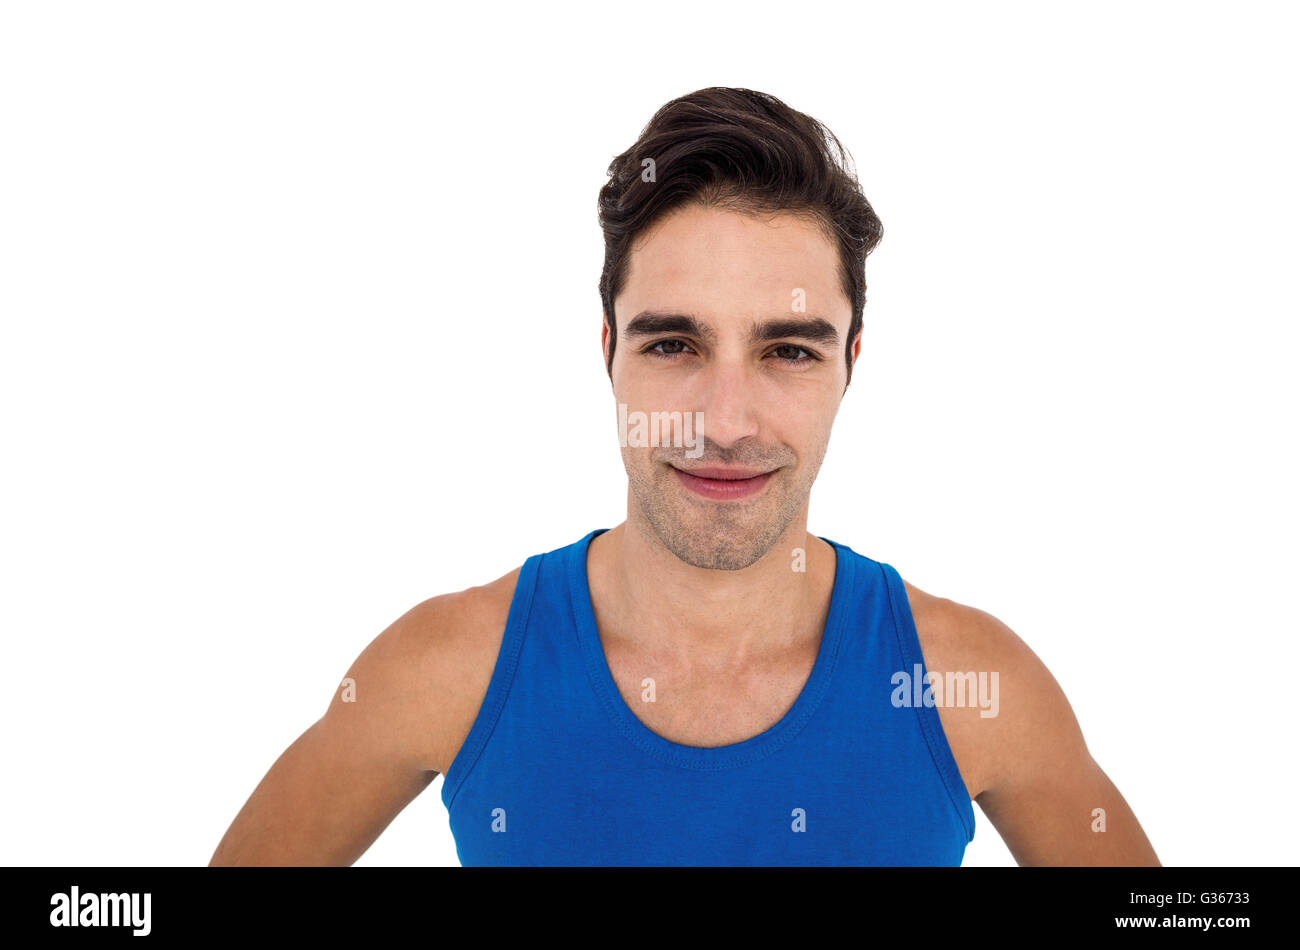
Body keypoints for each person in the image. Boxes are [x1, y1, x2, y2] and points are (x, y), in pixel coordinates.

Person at [210, 87, 1159, 866]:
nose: (724, 422)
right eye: (674, 343)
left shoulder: (966, 683)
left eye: (787, 351)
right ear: (609, 355)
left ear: (851, 368)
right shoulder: (450, 667)